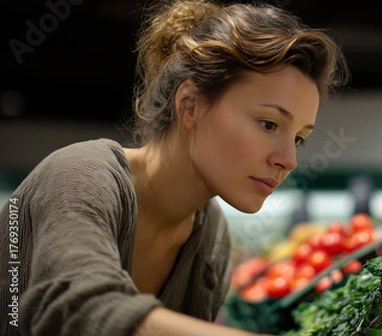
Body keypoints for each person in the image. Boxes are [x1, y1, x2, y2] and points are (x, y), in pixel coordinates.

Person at [0, 0, 349, 335]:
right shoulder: (78, 177)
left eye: (300, 138)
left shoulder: (211, 239)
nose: (289, 160)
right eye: (269, 124)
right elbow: (78, 313)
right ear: (190, 104)